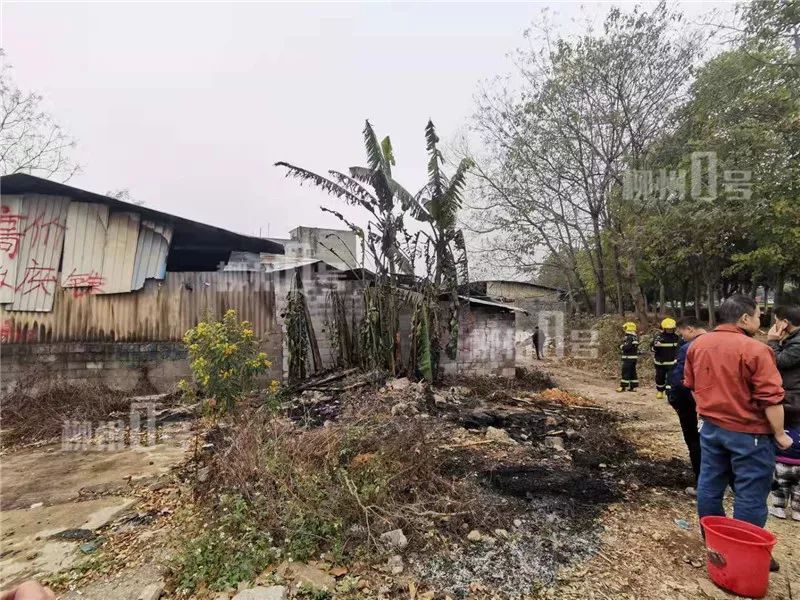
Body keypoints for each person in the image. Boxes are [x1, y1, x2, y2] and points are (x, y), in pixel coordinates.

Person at [683, 294, 792, 571]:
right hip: (750, 434)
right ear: (744, 318)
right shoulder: (756, 350)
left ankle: (715, 544)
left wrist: (705, 412)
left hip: (712, 429)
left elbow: (692, 386)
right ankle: (743, 553)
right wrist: (780, 434)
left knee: (710, 485)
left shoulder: (698, 345)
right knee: (750, 493)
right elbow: (771, 398)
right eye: (757, 316)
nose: (760, 320)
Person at [766, 305, 800, 521]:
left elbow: (778, 362)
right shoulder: (792, 340)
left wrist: (771, 342)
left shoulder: (797, 343)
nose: (774, 324)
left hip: (792, 401)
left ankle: (785, 503)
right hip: (792, 399)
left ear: (785, 322)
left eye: (777, 320)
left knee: (788, 449)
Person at [668, 316, 707, 496]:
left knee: (695, 441)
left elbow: (681, 380)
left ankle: (702, 485)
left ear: (690, 329)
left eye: (682, 332)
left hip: (692, 404)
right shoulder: (719, 343)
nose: (681, 336)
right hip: (717, 404)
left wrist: (674, 399)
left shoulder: (689, 348)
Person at [651, 317, 681, 400]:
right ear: (664, 328)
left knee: (671, 379)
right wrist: (655, 346)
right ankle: (660, 391)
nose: (669, 330)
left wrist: (677, 358)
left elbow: (679, 349)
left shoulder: (677, 338)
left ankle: (670, 394)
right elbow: (652, 349)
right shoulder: (658, 337)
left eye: (671, 329)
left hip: (672, 363)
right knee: (660, 378)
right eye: (668, 329)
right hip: (660, 363)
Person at [617, 321, 640, 392]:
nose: (624, 329)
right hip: (633, 358)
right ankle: (633, 387)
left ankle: (623, 387)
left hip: (628, 358)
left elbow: (627, 347)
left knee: (625, 372)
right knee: (632, 372)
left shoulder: (629, 338)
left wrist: (621, 346)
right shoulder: (635, 337)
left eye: (625, 328)